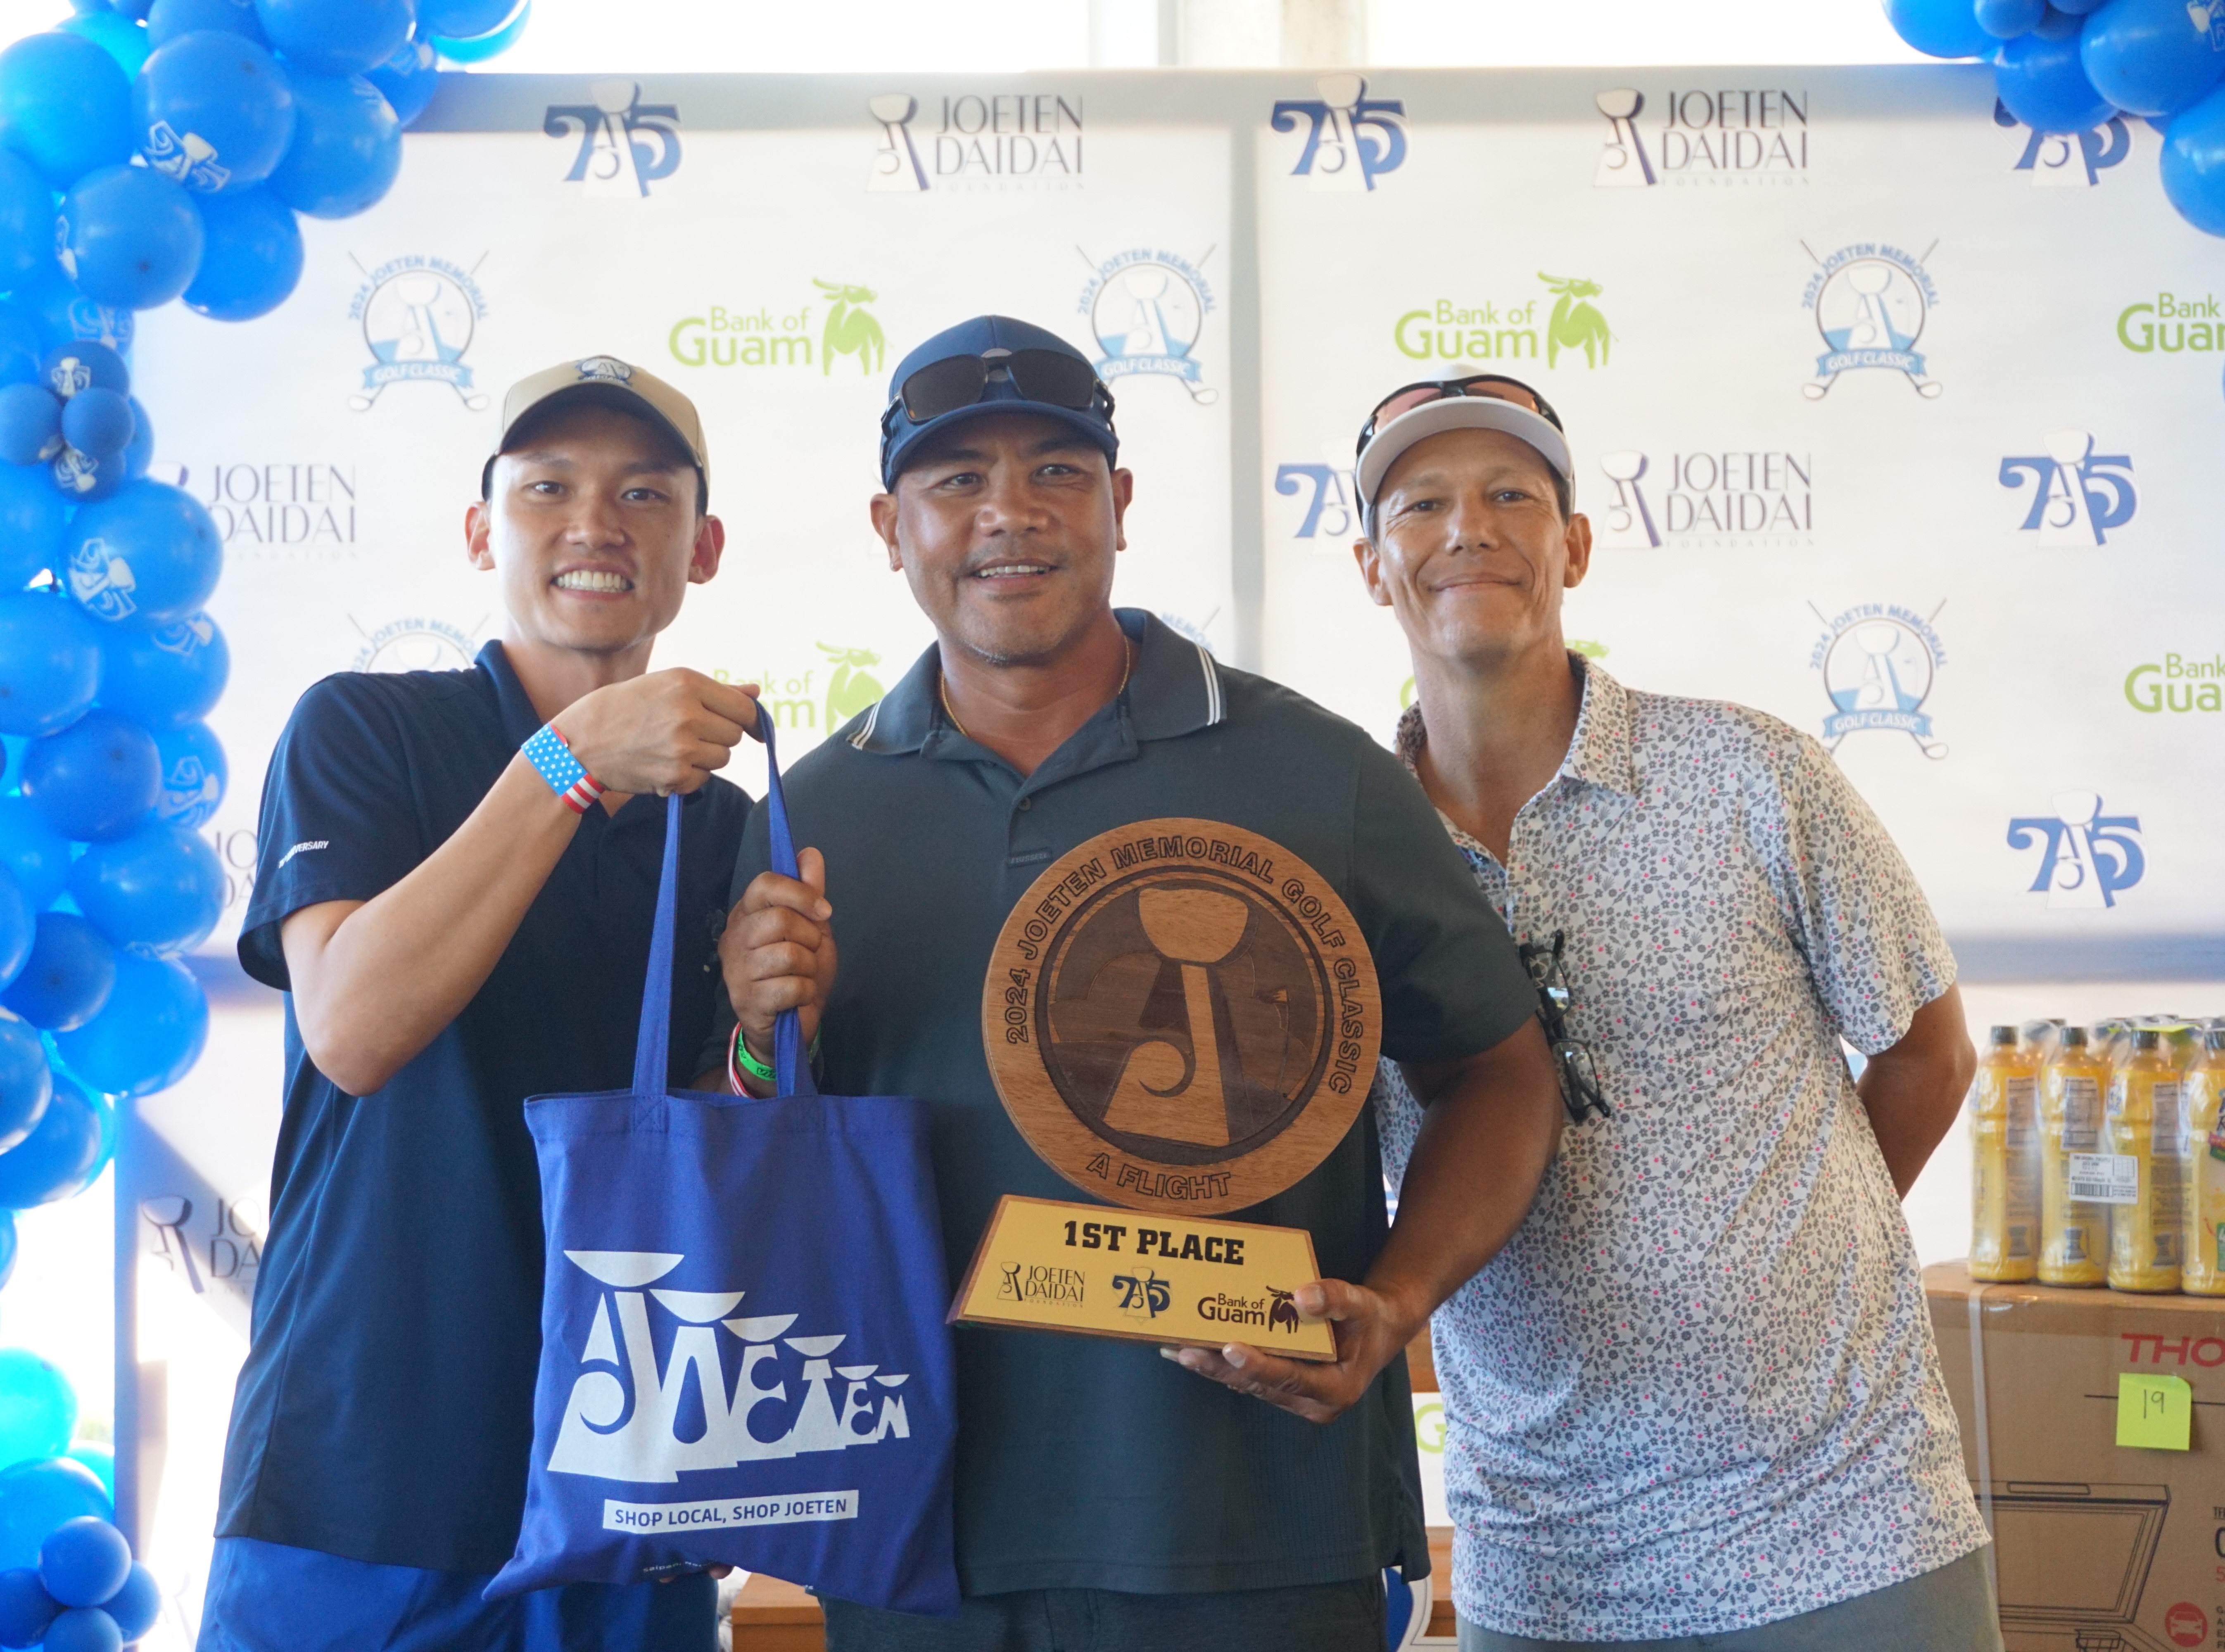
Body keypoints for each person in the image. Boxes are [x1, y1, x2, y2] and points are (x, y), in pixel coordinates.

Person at [706, 316, 1565, 1652]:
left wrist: (1394, 1304)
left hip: (1256, 1529)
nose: (1010, 516)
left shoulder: (1312, 772)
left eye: (1056, 471)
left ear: (1119, 503)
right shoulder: (805, 818)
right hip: (918, 1538)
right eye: (955, 482)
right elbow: (746, 1160)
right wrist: (761, 1043)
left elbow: (1501, 1074)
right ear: (890, 525)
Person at [1349, 373, 1996, 1651]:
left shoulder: (1751, 775)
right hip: (1546, 1566)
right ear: (1373, 568)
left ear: (1573, 545)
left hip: (1849, 1524)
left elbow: (1926, 1049)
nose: (1466, 527)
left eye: (1511, 496)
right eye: (1420, 503)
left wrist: (1793, 1253)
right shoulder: (1340, 849)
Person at [202, 357, 758, 1652]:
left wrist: (756, 1036)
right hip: (361, 1480)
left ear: (704, 545)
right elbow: (351, 1032)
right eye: (547, 488)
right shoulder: (367, 732)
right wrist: (568, 763)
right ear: (480, 529)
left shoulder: (731, 822)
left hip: (630, 1479)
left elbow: (723, 1152)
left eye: (643, 494)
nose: (594, 524)